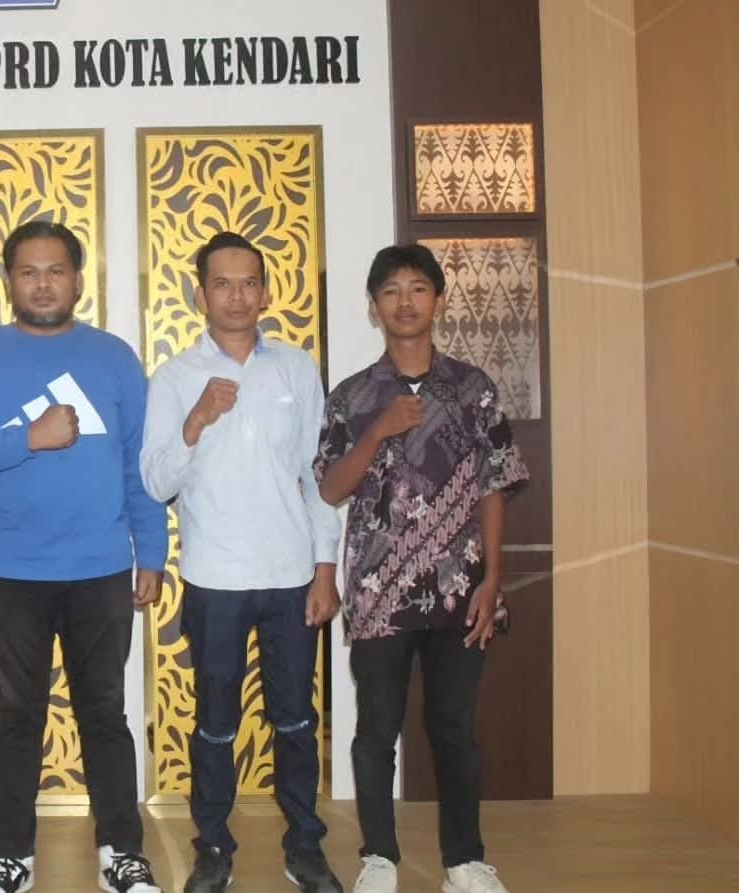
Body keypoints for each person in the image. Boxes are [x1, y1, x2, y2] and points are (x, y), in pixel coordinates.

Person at [0, 220, 168, 893]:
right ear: (9, 280)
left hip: (100, 569)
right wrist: (28, 437)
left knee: (105, 716)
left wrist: (150, 550)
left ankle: (122, 851)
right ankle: (11, 855)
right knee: (16, 719)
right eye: (29, 271)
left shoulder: (114, 358)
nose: (42, 284)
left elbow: (140, 465)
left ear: (77, 279)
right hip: (11, 572)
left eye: (56, 270)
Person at [313, 245, 528, 893]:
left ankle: (464, 860)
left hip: (462, 589)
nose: (404, 302)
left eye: (417, 288)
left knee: (455, 728)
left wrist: (493, 578)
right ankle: (379, 857)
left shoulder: (472, 388)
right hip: (379, 592)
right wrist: (378, 430)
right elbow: (330, 488)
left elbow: (494, 484)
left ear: (438, 299)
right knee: (376, 728)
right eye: (390, 291)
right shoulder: (352, 395)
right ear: (373, 307)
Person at [140, 232, 344, 893]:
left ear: (265, 292)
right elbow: (155, 482)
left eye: (249, 282)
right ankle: (213, 847)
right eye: (222, 283)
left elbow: (317, 476)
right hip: (215, 577)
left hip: (291, 574)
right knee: (216, 724)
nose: (236, 295)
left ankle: (305, 846)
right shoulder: (175, 378)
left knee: (296, 719)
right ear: (200, 293)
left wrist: (325, 566)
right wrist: (195, 420)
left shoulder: (296, 369)